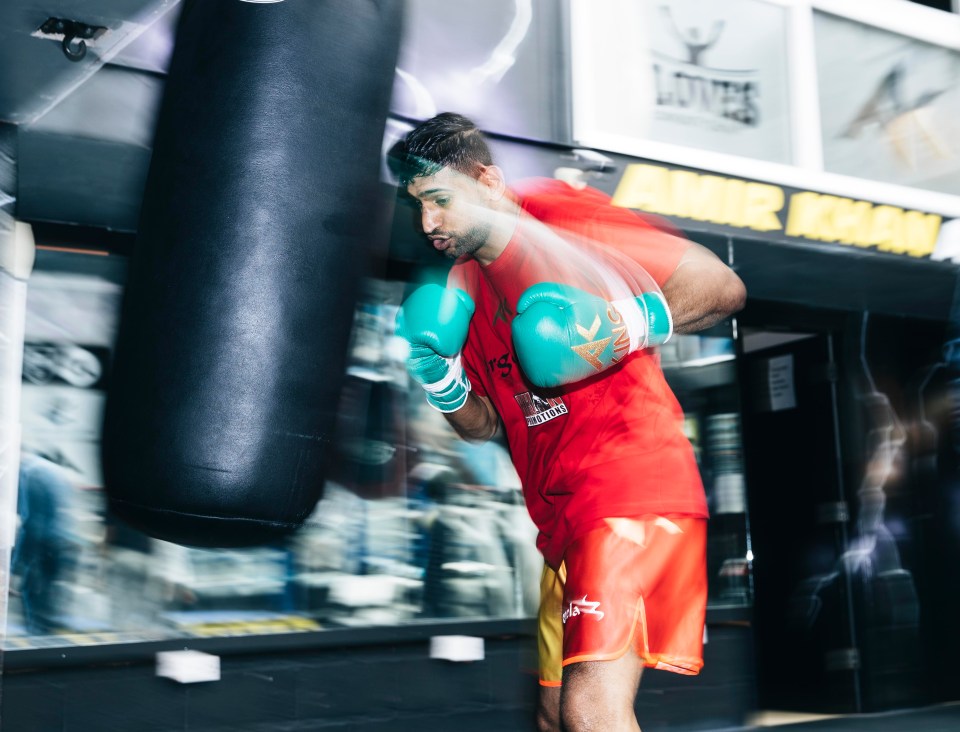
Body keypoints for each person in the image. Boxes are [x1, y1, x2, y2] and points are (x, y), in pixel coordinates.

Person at [389, 113, 746, 731]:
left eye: (440, 201)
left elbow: (720, 287)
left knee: (592, 710)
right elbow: (482, 426)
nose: (429, 224)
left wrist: (616, 329)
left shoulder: (560, 220)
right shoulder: (462, 287)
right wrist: (441, 379)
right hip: (560, 522)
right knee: (555, 716)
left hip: (630, 491)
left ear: (488, 180)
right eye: (418, 206)